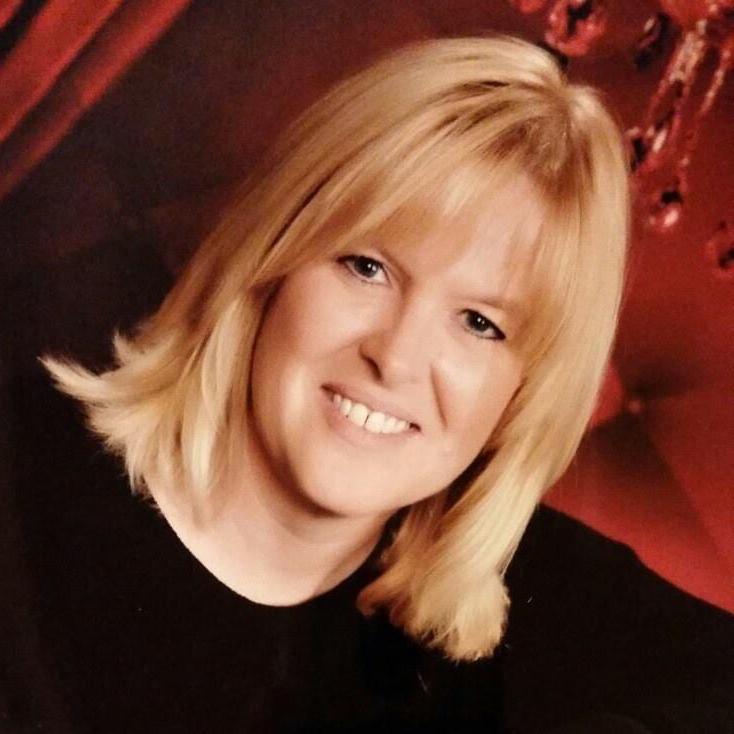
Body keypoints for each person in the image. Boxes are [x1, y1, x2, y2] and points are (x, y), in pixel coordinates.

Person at [2, 35, 731, 733]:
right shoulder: (21, 476)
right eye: (367, 267)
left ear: (525, 393)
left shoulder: (536, 587)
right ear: (273, 256)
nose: (397, 357)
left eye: (480, 323)